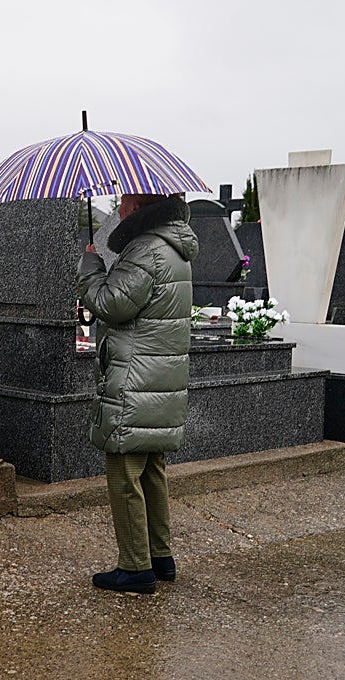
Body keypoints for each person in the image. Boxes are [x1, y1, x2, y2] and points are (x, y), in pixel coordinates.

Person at [77, 192, 199, 594]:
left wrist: (90, 268)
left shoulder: (145, 249)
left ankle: (134, 567)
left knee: (124, 469)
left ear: (143, 207)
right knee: (151, 468)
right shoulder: (173, 245)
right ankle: (160, 557)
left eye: (127, 203)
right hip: (159, 376)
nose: (120, 209)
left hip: (135, 377)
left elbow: (111, 304)